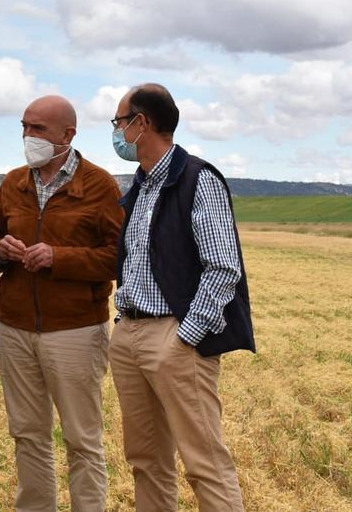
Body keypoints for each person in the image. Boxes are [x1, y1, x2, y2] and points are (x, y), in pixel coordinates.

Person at [109, 83, 255, 511]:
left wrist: (185, 338)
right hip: (130, 335)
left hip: (174, 338)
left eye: (119, 122)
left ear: (142, 123)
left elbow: (223, 266)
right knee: (146, 462)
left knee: (204, 463)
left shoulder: (197, 179)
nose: (116, 132)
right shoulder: (140, 188)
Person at [0, 95, 123, 511]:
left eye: (38, 128)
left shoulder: (100, 185)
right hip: (14, 327)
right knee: (27, 435)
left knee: (82, 439)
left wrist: (58, 257)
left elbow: (119, 256)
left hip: (76, 330)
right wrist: (1, 251)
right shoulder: (14, 182)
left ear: (68, 134)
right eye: (25, 126)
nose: (28, 136)